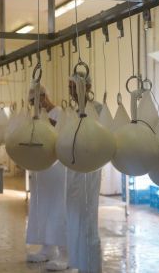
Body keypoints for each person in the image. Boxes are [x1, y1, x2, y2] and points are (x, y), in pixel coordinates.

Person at [26, 84, 69, 271]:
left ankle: (65, 253)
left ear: (44, 97)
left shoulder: (59, 113)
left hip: (57, 169)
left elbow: (60, 136)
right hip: (41, 169)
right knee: (41, 207)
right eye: (31, 103)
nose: (34, 105)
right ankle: (47, 248)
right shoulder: (37, 115)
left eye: (35, 101)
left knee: (58, 208)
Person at [66, 72, 102, 273]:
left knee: (88, 218)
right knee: (74, 217)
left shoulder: (98, 109)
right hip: (72, 169)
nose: (71, 92)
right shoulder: (71, 110)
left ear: (87, 88)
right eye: (69, 87)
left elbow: (104, 138)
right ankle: (79, 264)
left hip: (90, 169)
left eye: (74, 87)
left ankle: (92, 267)